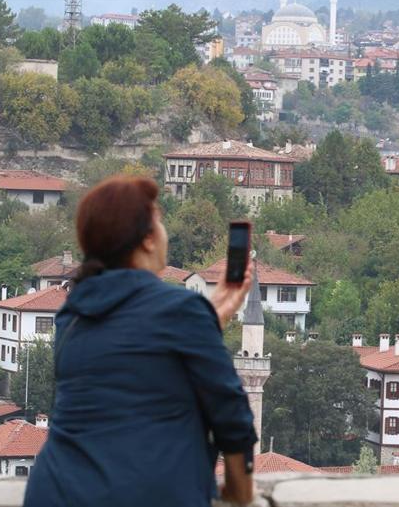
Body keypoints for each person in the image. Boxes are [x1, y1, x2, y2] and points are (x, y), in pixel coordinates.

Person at [24, 176, 257, 507]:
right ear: (148, 239)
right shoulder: (181, 311)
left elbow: (134, 358)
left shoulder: (71, 316)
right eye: (159, 223)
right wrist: (241, 492)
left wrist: (208, 316)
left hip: (56, 492)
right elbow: (229, 412)